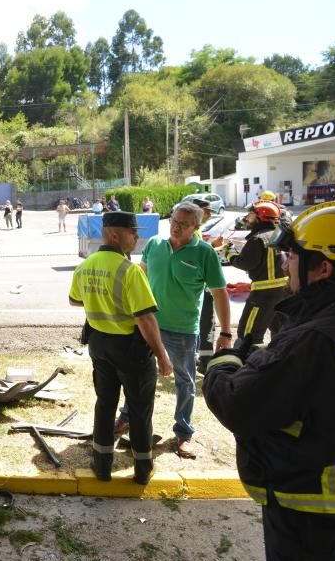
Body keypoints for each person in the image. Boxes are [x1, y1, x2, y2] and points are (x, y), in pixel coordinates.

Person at [204, 201, 335, 561]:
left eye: (292, 256)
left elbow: (238, 405)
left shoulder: (317, 341)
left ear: (323, 267)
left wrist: (221, 363)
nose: (285, 265)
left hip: (314, 509)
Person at [115, 202, 232, 459]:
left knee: (184, 381)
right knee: (137, 376)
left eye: (183, 224)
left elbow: (220, 293)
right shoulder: (155, 245)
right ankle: (127, 417)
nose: (176, 227)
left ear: (196, 227)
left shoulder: (204, 253)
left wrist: (225, 332)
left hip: (183, 329)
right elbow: (141, 277)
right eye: (174, 221)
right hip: (148, 325)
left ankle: (184, 432)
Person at [69, 212, 173, 484]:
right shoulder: (129, 271)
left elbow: (75, 300)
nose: (136, 237)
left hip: (99, 344)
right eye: (132, 232)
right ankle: (142, 469)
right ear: (114, 235)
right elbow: (146, 318)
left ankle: (102, 466)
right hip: (131, 349)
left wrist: (101, 302)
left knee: (105, 404)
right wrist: (162, 355)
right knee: (140, 409)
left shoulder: (86, 265)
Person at [225, 200, 288, 346]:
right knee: (280, 334)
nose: (247, 218)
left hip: (262, 296)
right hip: (284, 294)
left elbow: (246, 263)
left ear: (261, 217)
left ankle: (247, 365)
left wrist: (229, 253)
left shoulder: (257, 238)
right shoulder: (278, 235)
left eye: (251, 215)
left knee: (248, 335)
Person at [191, 199, 225, 372]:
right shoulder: (195, 232)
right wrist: (214, 247)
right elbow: (197, 255)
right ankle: (204, 360)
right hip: (202, 288)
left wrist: (214, 247)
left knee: (203, 323)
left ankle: (200, 357)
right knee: (206, 323)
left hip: (199, 287)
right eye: (208, 211)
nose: (210, 215)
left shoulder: (196, 230)